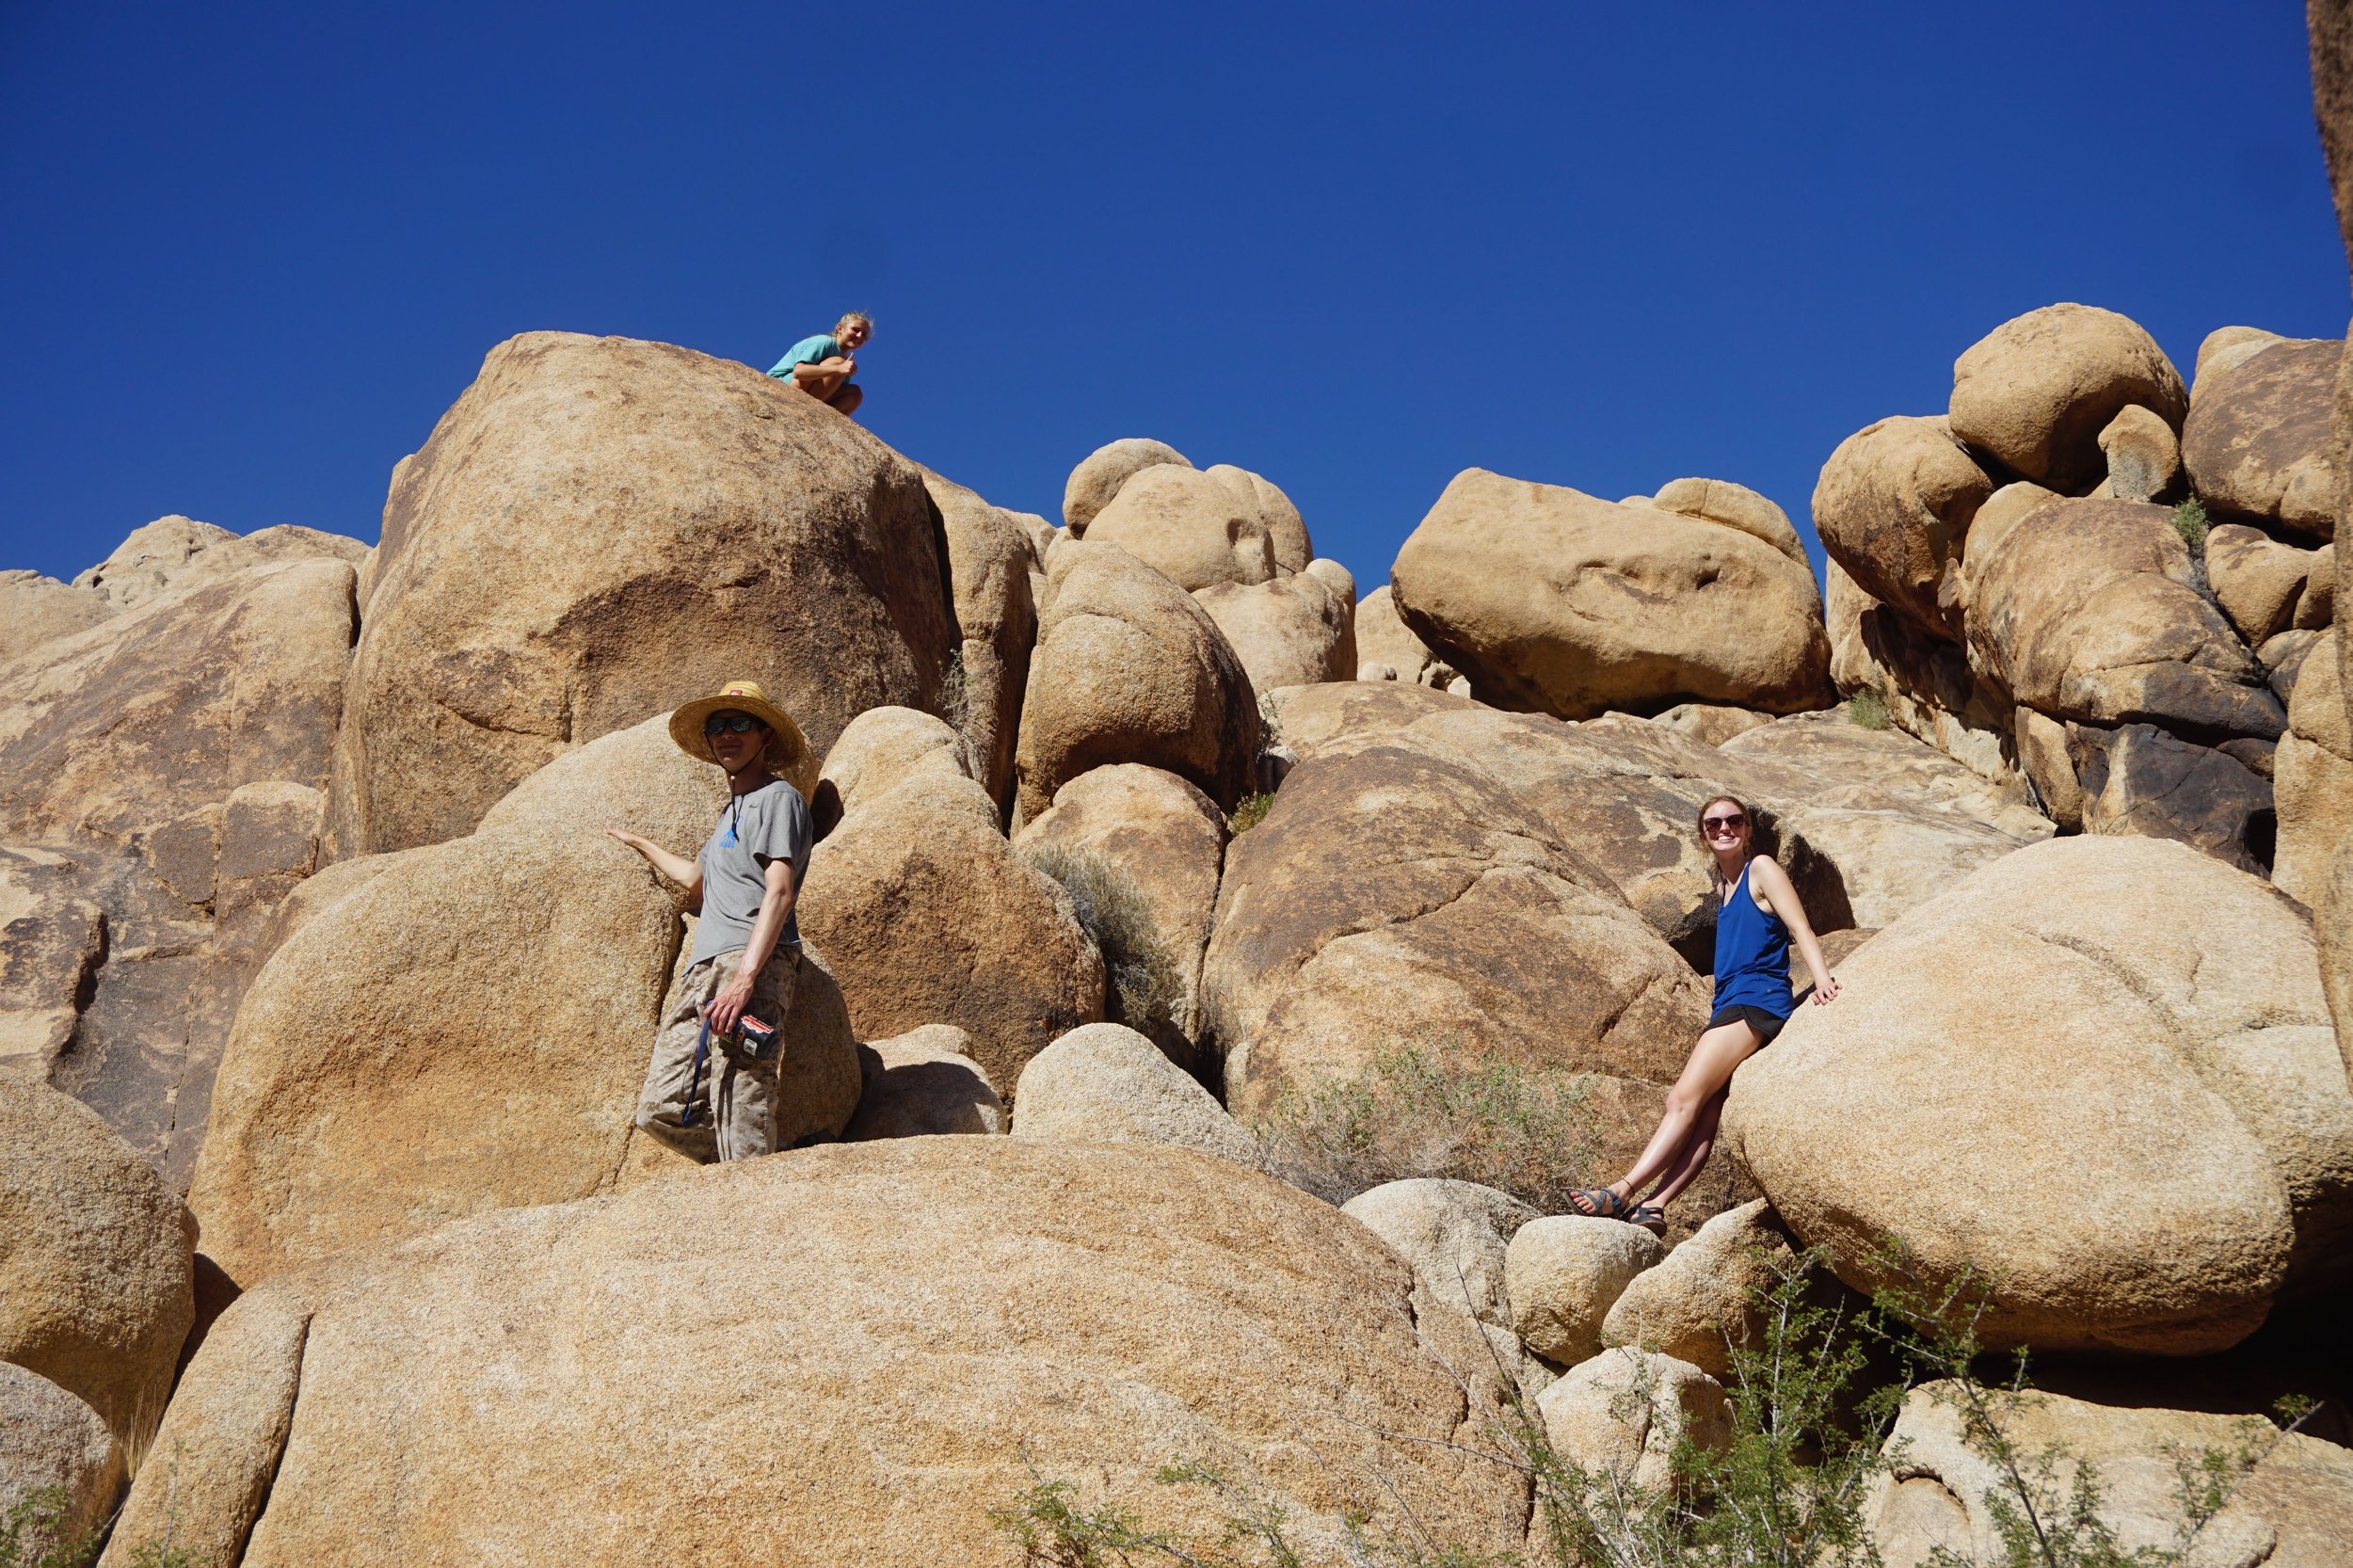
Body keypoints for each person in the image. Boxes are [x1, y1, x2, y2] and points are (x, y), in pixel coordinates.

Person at [1569, 795, 1842, 1235]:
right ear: (1703, 835)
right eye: (1713, 824)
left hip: (1756, 1001)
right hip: (1731, 1003)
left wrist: (1822, 978)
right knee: (1704, 1114)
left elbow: (1800, 927)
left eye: (1734, 821)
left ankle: (1621, 1191)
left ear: (1748, 829)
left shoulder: (1762, 869)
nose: (1724, 828)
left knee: (1680, 1100)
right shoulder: (1724, 887)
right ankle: (1654, 1205)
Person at [606, 680, 814, 1161]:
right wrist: (639, 843)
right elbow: (697, 881)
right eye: (717, 727)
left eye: (739, 724)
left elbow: (779, 892)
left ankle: (752, 1186)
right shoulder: (729, 812)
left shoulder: (778, 798)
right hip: (702, 969)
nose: (726, 735)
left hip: (751, 961)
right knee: (658, 1108)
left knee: (744, 1093)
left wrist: (746, 979)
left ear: (764, 736)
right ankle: (743, 1168)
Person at [767, 312, 872, 417]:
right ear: (840, 328)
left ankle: (822, 418)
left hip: (808, 392)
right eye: (855, 330)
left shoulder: (844, 362)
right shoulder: (824, 342)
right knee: (838, 362)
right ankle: (809, 411)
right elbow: (799, 372)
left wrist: (840, 369)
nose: (859, 336)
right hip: (780, 386)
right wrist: (837, 369)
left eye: (864, 335)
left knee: (854, 394)